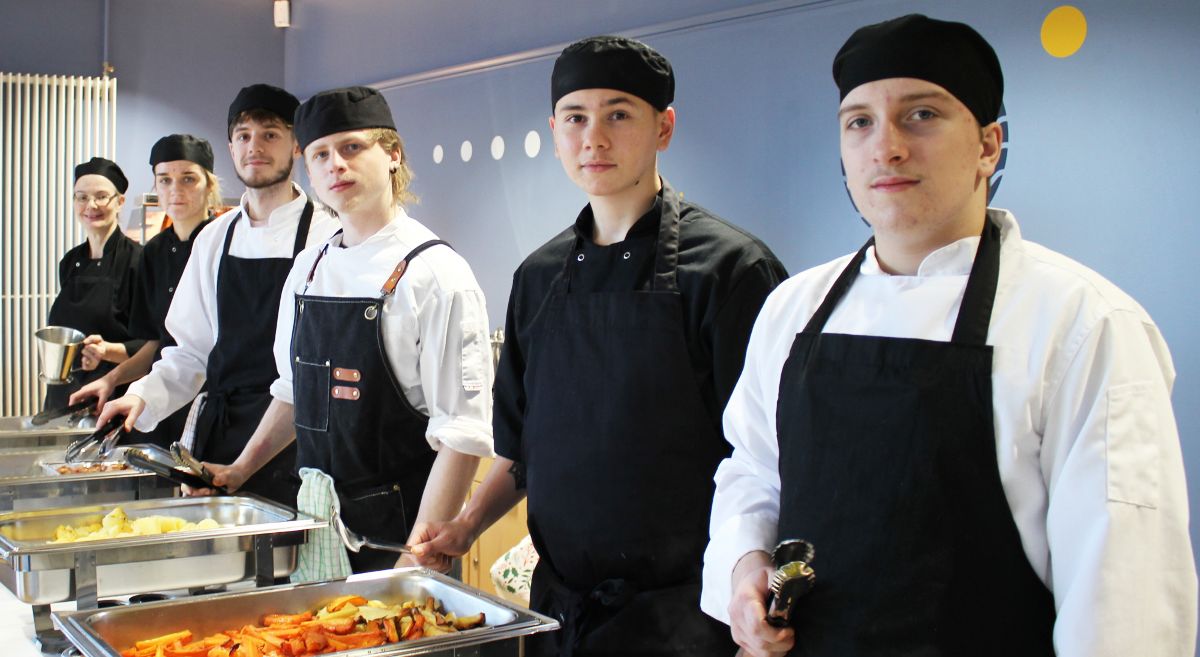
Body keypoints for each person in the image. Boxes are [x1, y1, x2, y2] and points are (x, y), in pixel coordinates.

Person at [703, 14, 1196, 657]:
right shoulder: (792, 309)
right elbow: (754, 470)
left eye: (922, 115)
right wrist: (745, 566)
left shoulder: (1085, 324)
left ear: (989, 145)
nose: (886, 148)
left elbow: (1124, 598)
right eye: (860, 122)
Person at [410, 36, 788, 656]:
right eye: (576, 118)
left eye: (619, 114)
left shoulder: (730, 271)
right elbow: (521, 451)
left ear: (663, 128)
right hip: (561, 614)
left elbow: (768, 462)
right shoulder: (538, 276)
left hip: (688, 618)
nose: (595, 138)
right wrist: (465, 527)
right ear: (555, 130)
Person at [201, 86, 493, 574]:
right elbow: (294, 393)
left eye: (352, 148)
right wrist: (238, 471)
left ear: (393, 154)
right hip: (315, 529)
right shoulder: (309, 268)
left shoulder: (435, 272)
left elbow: (462, 435)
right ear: (308, 170)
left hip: (402, 535)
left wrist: (415, 566)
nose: (335, 165)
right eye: (320, 154)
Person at [97, 84, 337, 505]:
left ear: (296, 145)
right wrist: (138, 396)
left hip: (299, 439)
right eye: (243, 136)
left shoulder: (328, 234)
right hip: (221, 435)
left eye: (270, 134)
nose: (254, 147)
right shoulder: (215, 238)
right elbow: (190, 352)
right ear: (230, 146)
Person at [72, 135, 216, 447]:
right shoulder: (155, 252)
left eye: (188, 179)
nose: (175, 190)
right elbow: (156, 344)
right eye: (165, 180)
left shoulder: (224, 243)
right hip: (161, 398)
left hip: (214, 401)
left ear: (209, 185)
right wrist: (110, 381)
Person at [45, 157, 144, 409]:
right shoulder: (70, 261)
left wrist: (106, 350)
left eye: (101, 196)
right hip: (64, 391)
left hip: (114, 395)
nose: (91, 205)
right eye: (82, 197)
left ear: (120, 201)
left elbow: (153, 344)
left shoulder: (139, 261)